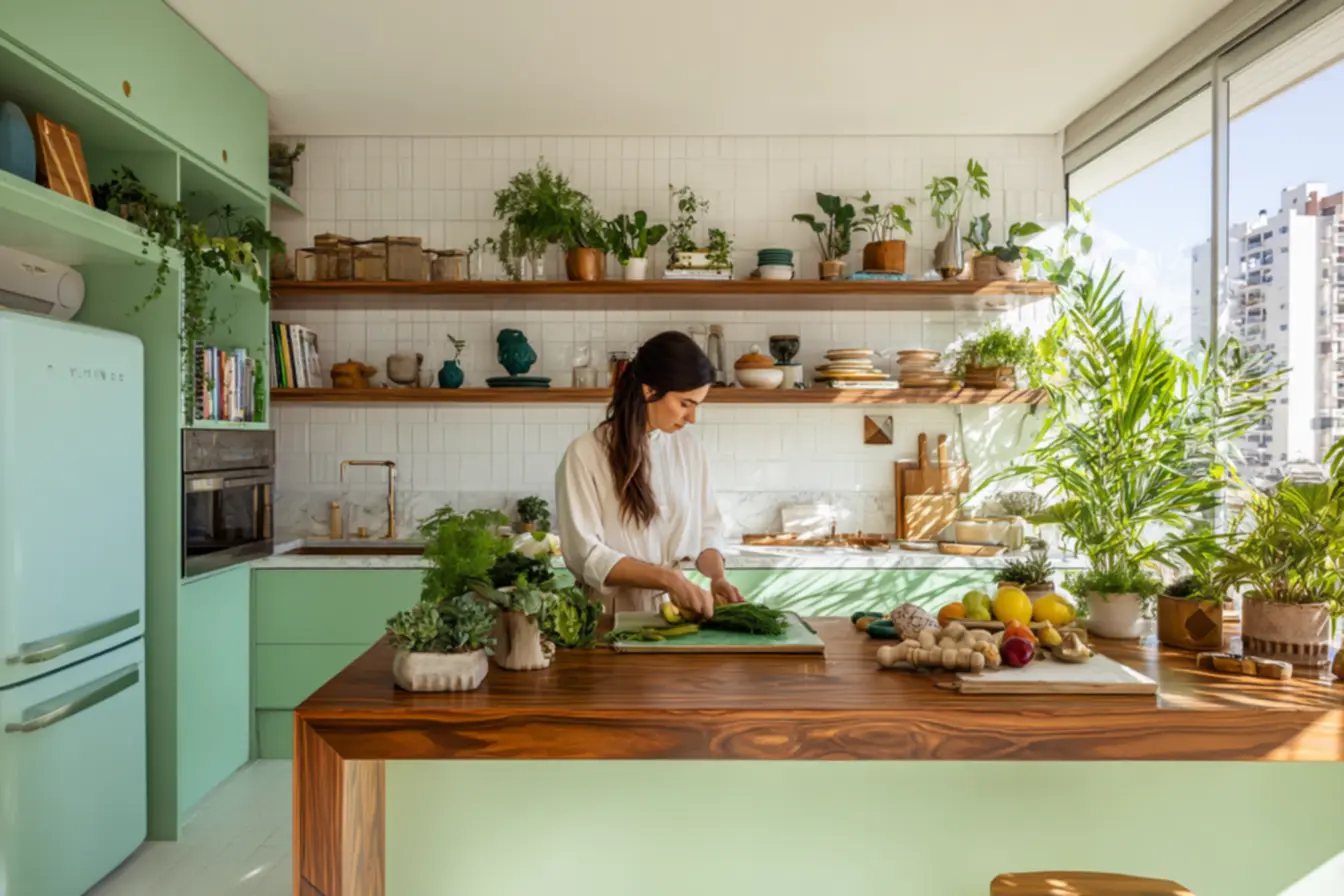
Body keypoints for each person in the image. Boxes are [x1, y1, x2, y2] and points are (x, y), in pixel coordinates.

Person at [556, 330, 743, 617]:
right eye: (685, 404)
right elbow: (586, 554)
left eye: (696, 406)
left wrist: (717, 577)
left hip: (675, 607)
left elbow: (707, 528)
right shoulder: (585, 453)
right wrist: (668, 579)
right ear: (649, 390)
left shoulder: (690, 449)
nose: (692, 418)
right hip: (609, 613)